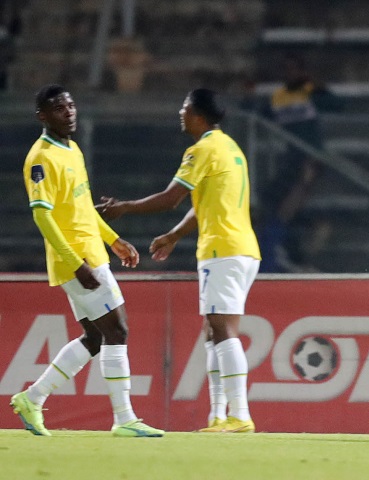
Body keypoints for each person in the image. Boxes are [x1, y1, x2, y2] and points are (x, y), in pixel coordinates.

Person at [97, 88, 260, 433]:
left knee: (223, 330)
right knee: (213, 331)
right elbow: (205, 206)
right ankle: (218, 414)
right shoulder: (230, 149)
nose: (180, 114)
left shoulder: (200, 150)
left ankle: (240, 415)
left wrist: (125, 207)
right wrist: (173, 236)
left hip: (223, 250)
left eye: (185, 108)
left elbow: (172, 198)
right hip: (240, 248)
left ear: (199, 116)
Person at [13, 84, 164, 437]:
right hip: (77, 259)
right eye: (58, 108)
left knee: (96, 337)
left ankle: (32, 399)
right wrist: (75, 262)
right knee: (118, 330)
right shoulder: (41, 159)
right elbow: (42, 217)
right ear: (42, 116)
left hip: (91, 254)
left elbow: (82, 208)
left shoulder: (72, 149)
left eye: (70, 105)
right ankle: (124, 418)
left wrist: (114, 240)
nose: (68, 112)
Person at [255, 53, 342, 273]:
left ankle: (291, 251)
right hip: (290, 158)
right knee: (273, 201)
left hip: (310, 158)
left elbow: (337, 106)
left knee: (292, 203)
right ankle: (284, 250)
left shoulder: (310, 91)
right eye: (287, 70)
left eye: (295, 70)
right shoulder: (279, 97)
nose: (290, 74)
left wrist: (319, 87)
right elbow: (259, 116)